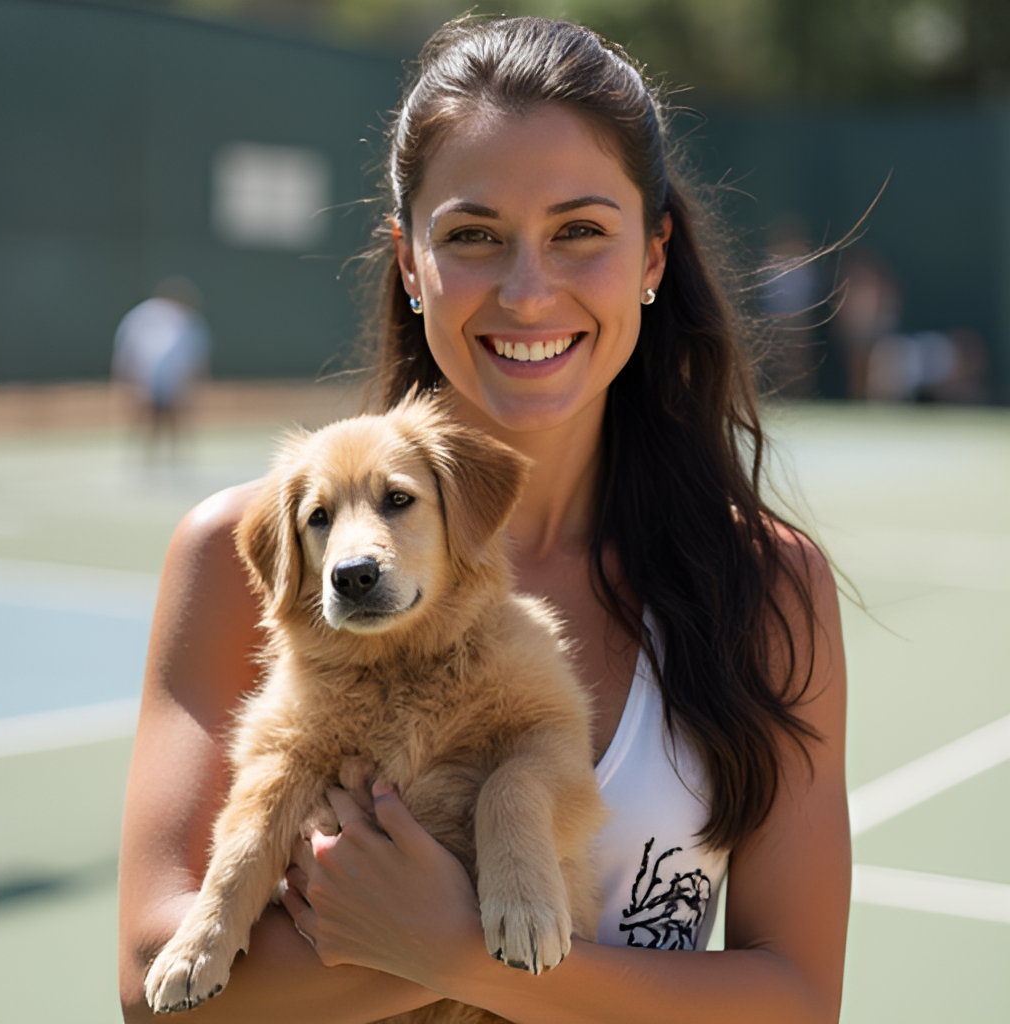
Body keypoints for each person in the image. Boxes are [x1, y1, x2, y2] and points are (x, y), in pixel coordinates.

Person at [119, 16, 849, 1023]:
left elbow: (798, 1001)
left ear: (652, 253)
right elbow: (153, 989)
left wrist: (458, 952)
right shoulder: (249, 549)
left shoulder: (765, 584)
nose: (526, 288)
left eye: (579, 230)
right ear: (409, 262)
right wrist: (429, 951)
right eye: (472, 235)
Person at [112, 276, 210, 461]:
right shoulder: (145, 316)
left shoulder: (189, 322)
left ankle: (174, 459)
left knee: (174, 422)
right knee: (145, 420)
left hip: (175, 384)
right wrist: (127, 379)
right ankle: (144, 459)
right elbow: (128, 350)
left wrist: (191, 384)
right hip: (145, 382)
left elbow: (196, 358)